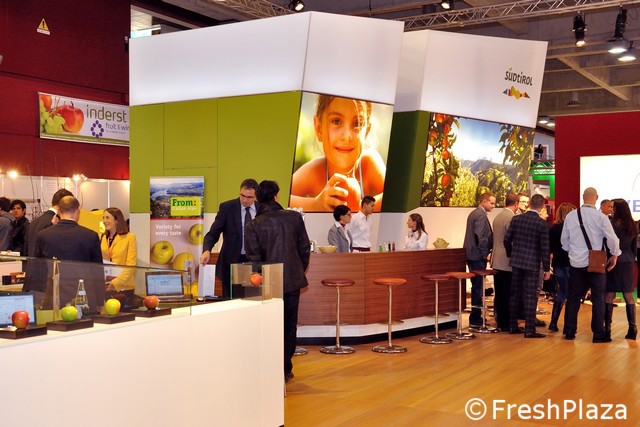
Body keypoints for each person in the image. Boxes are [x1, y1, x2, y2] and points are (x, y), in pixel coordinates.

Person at [244, 180, 310, 384]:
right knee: (289, 325)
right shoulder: (294, 217)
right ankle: (285, 369)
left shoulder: (253, 224)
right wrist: (298, 268)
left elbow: (254, 259)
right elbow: (304, 248)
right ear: (276, 196)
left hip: (268, 281)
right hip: (292, 279)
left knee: (268, 326)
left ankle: (269, 370)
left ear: (258, 199)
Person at [290, 95, 386, 212]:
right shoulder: (315, 172)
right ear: (319, 128)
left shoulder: (369, 164)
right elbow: (274, 199)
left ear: (367, 131)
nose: (347, 136)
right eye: (336, 121)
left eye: (357, 123)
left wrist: (360, 208)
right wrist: (315, 204)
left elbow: (396, 195)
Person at [561, 187, 621, 342]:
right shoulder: (601, 217)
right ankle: (598, 334)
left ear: (583, 197)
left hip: (576, 262)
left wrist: (571, 251)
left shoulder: (571, 216)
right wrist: (615, 254)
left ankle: (569, 331)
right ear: (597, 198)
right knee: (598, 298)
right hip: (596, 263)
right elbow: (613, 239)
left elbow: (564, 240)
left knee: (573, 297)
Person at [35, 196, 104, 313]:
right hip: (84, 295)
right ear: (78, 211)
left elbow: (40, 266)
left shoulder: (44, 235)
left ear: (58, 211)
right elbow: (97, 271)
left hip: (54, 295)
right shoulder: (90, 236)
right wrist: (99, 300)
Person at [199, 179, 259, 299]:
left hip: (254, 263)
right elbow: (213, 233)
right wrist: (207, 250)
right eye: (242, 196)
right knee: (231, 302)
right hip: (232, 263)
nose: (245, 200)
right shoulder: (227, 208)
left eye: (249, 197)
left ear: (256, 196)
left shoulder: (262, 209)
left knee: (253, 302)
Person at [504, 194, 551, 338]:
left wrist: (511, 254)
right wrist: (547, 268)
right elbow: (545, 248)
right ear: (542, 206)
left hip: (517, 262)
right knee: (530, 296)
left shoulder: (516, 219)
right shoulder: (541, 224)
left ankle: (512, 326)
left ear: (530, 203)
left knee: (514, 294)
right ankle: (529, 329)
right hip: (532, 264)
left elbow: (506, 240)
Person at [22, 188, 74, 295]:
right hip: (46, 281)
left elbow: (26, 250)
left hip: (31, 278)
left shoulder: (34, 222)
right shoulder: (55, 223)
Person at [605, 199, 638, 340]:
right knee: (628, 295)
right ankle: (633, 329)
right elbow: (634, 247)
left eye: (612, 207)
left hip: (613, 260)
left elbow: (607, 243)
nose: (610, 209)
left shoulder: (611, 224)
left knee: (609, 293)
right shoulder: (632, 225)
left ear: (617, 209)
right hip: (628, 261)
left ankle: (607, 330)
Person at [463, 192, 496, 327]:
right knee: (478, 287)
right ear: (484, 202)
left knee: (477, 285)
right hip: (477, 256)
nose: (493, 206)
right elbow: (480, 237)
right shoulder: (480, 215)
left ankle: (476, 316)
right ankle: (476, 317)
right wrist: (484, 253)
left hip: (471, 254)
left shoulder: (474, 213)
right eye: (492, 203)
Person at [490, 193, 519, 332]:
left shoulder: (498, 216)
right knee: (508, 293)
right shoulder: (510, 218)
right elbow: (511, 239)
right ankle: (506, 323)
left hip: (496, 259)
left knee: (500, 292)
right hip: (506, 260)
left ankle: (501, 321)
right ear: (516, 204)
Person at [100, 207, 138, 308]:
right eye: (103, 218)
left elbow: (131, 265)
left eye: (107, 217)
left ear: (117, 220)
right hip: (107, 286)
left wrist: (116, 283)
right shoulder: (102, 237)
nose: (104, 221)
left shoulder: (130, 237)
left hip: (124, 287)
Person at [548, 202, 576, 333]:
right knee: (571, 293)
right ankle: (568, 326)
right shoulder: (573, 228)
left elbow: (550, 247)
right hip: (571, 262)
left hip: (558, 262)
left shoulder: (553, 228)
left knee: (562, 291)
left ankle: (553, 323)